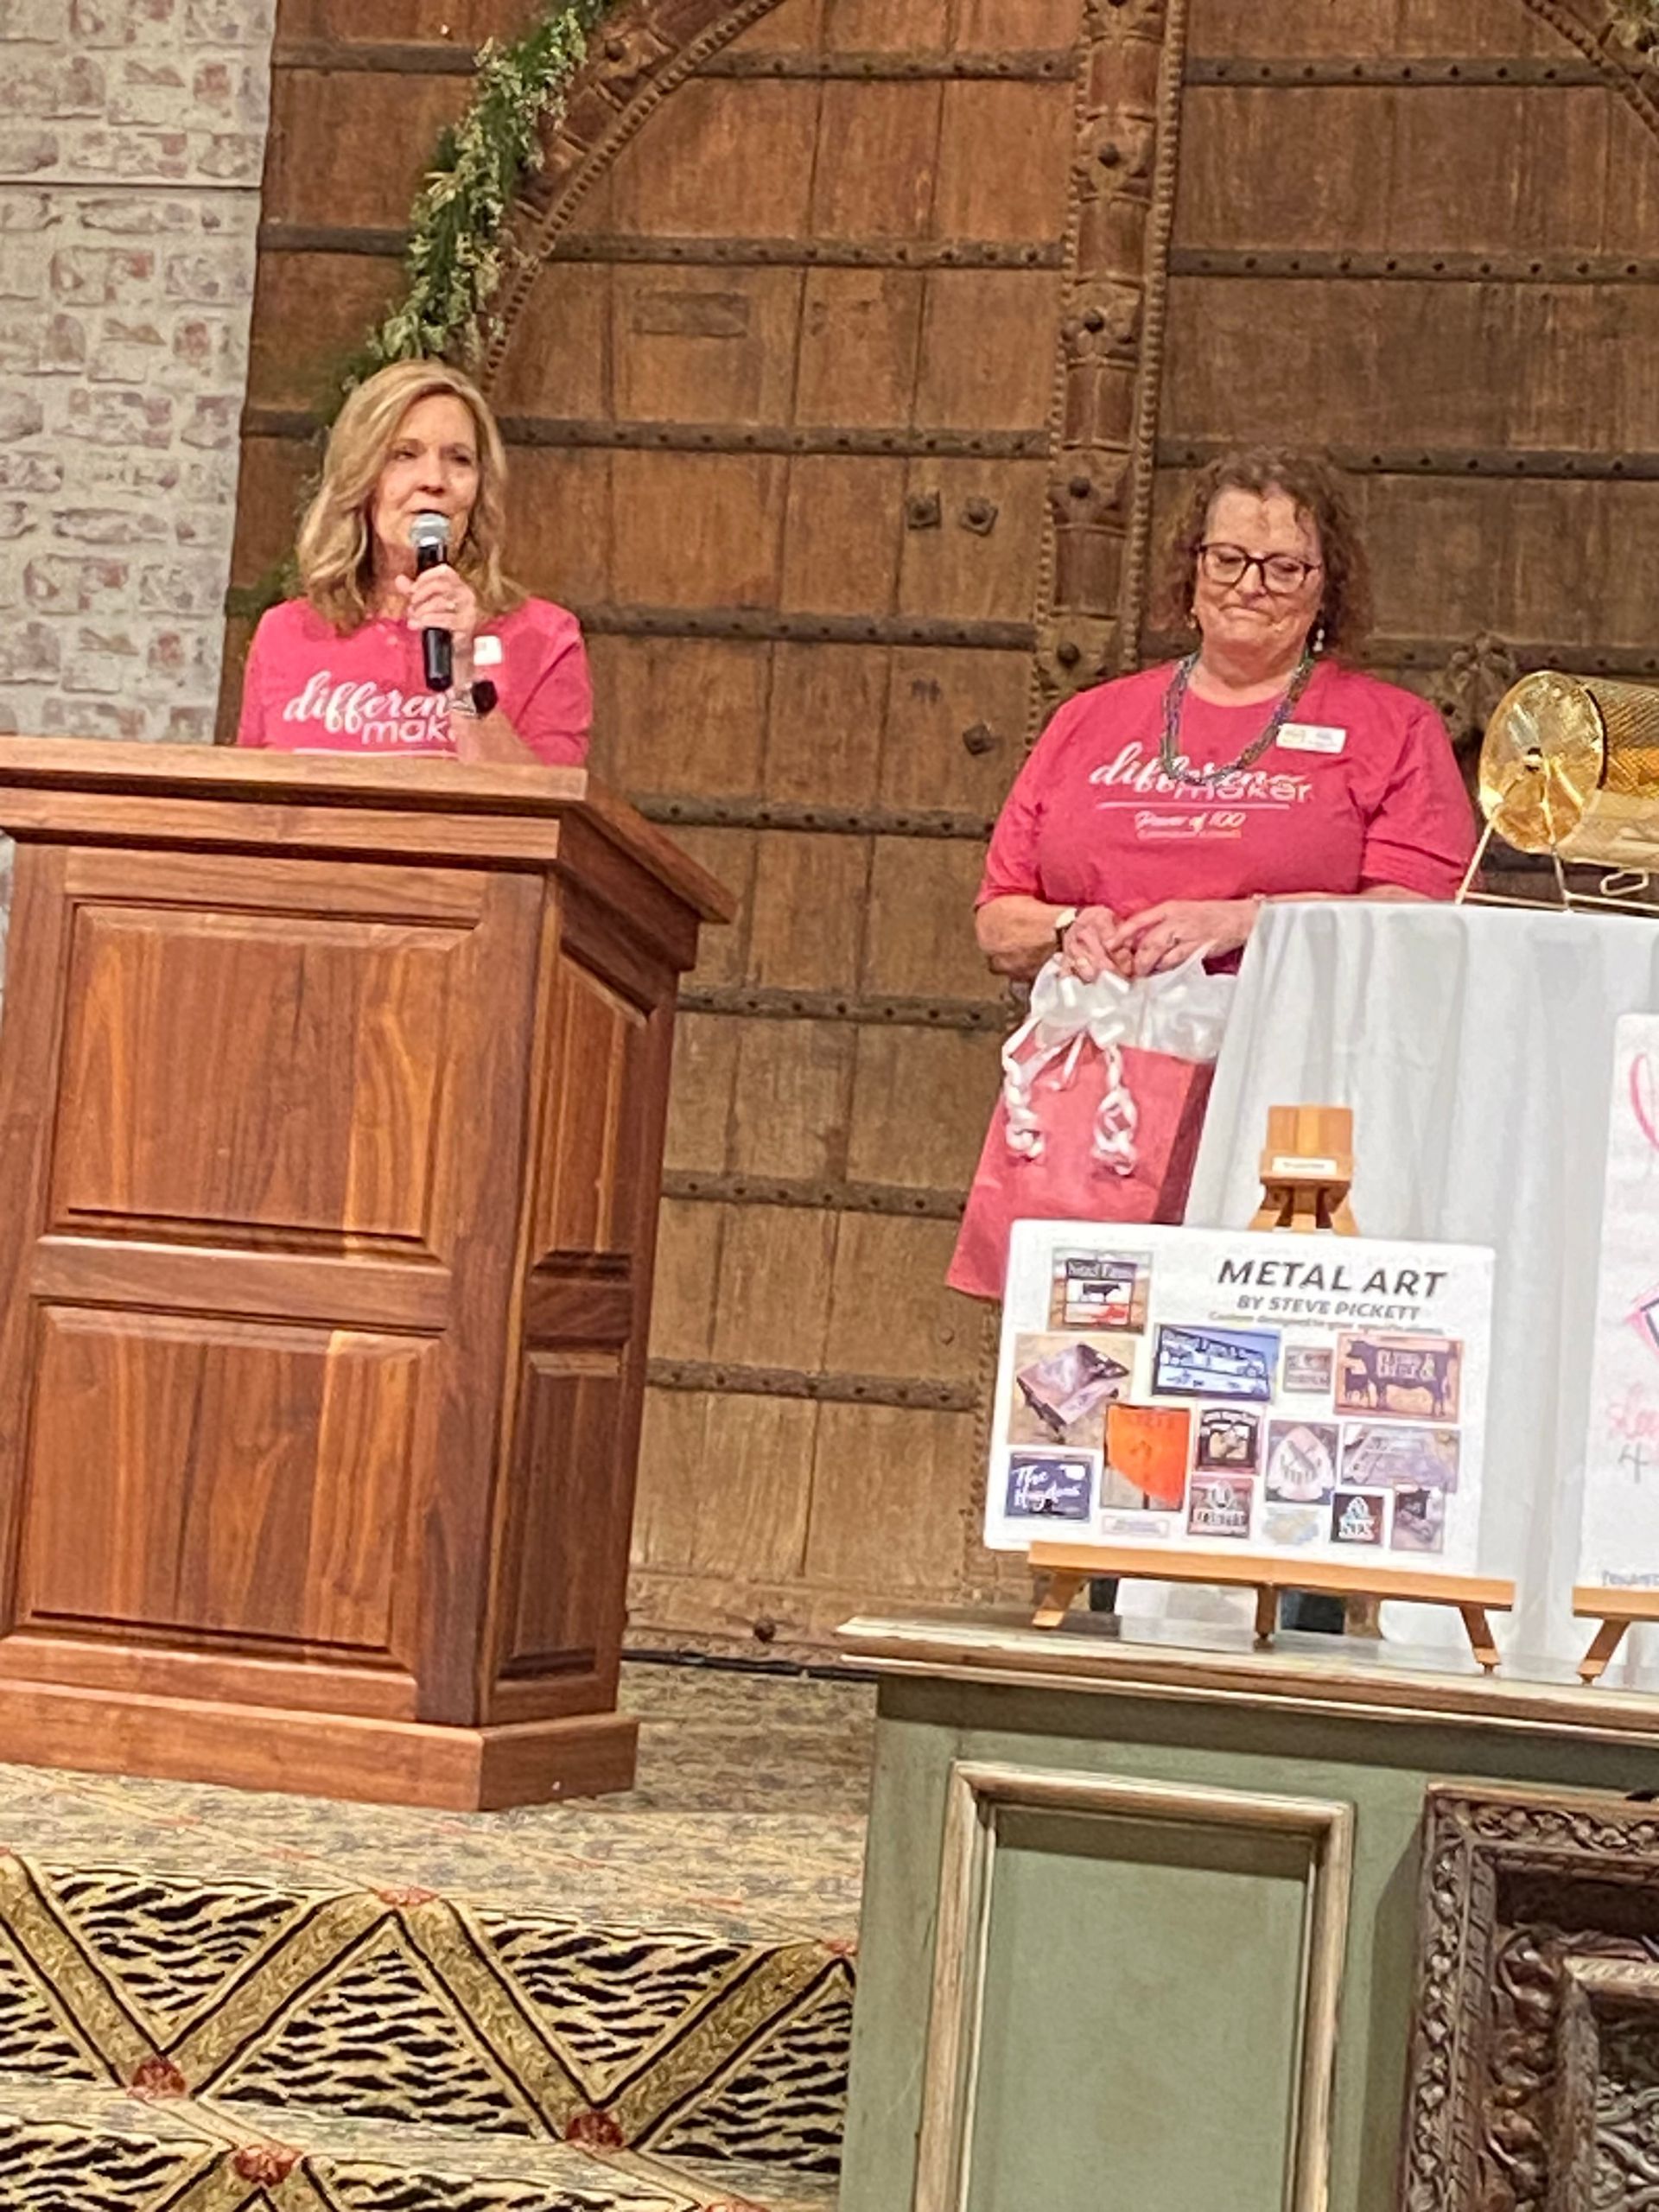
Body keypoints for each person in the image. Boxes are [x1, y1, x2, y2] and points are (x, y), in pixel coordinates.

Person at [971, 447, 1474, 997]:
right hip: (1096, 1062)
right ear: (1194, 568)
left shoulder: (1397, 729)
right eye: (1227, 559)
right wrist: (1067, 927)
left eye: (1285, 568)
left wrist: (1247, 924)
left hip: (1294, 1062)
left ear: (1326, 591)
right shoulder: (1085, 719)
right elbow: (999, 919)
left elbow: (1418, 918)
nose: (1250, 585)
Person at [237, 359, 590, 766]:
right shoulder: (285, 633)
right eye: (405, 455)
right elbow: (252, 806)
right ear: (361, 477)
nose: (434, 480)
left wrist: (463, 670)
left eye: (459, 459)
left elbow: (543, 812)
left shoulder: (545, 638)